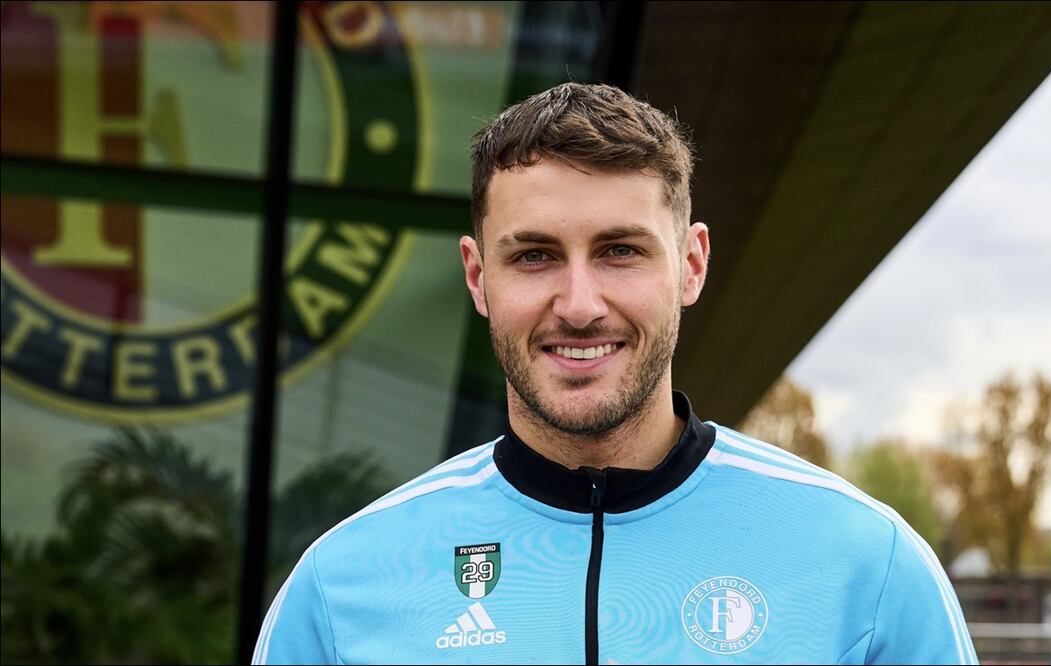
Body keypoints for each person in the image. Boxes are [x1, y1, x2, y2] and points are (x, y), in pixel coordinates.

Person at [253, 83, 977, 665]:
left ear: (690, 265)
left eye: (620, 251)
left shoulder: (865, 564)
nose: (577, 305)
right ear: (477, 278)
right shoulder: (340, 586)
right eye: (533, 255)